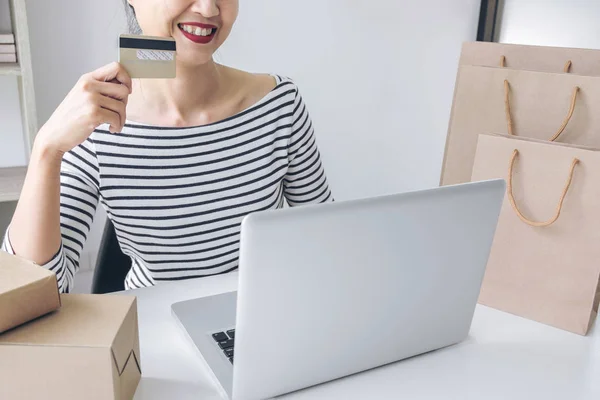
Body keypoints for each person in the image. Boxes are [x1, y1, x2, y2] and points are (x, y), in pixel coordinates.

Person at [1, 0, 333, 292]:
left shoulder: (280, 104)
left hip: (262, 324)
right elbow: (36, 290)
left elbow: (326, 240)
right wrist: (46, 150)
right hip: (150, 339)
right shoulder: (97, 125)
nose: (208, 9)